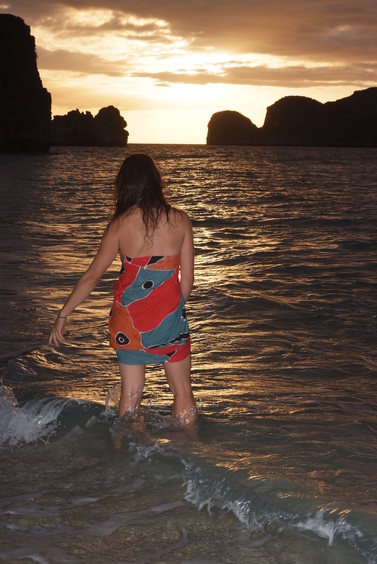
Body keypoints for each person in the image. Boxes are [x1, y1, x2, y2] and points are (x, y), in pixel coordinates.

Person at [49, 153, 197, 426]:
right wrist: (172, 311)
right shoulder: (180, 220)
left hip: (127, 321)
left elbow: (92, 276)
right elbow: (187, 278)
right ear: (155, 181)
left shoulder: (118, 225)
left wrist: (63, 314)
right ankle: (191, 453)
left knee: (130, 394)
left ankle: (125, 455)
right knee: (182, 392)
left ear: (125, 185)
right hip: (170, 320)